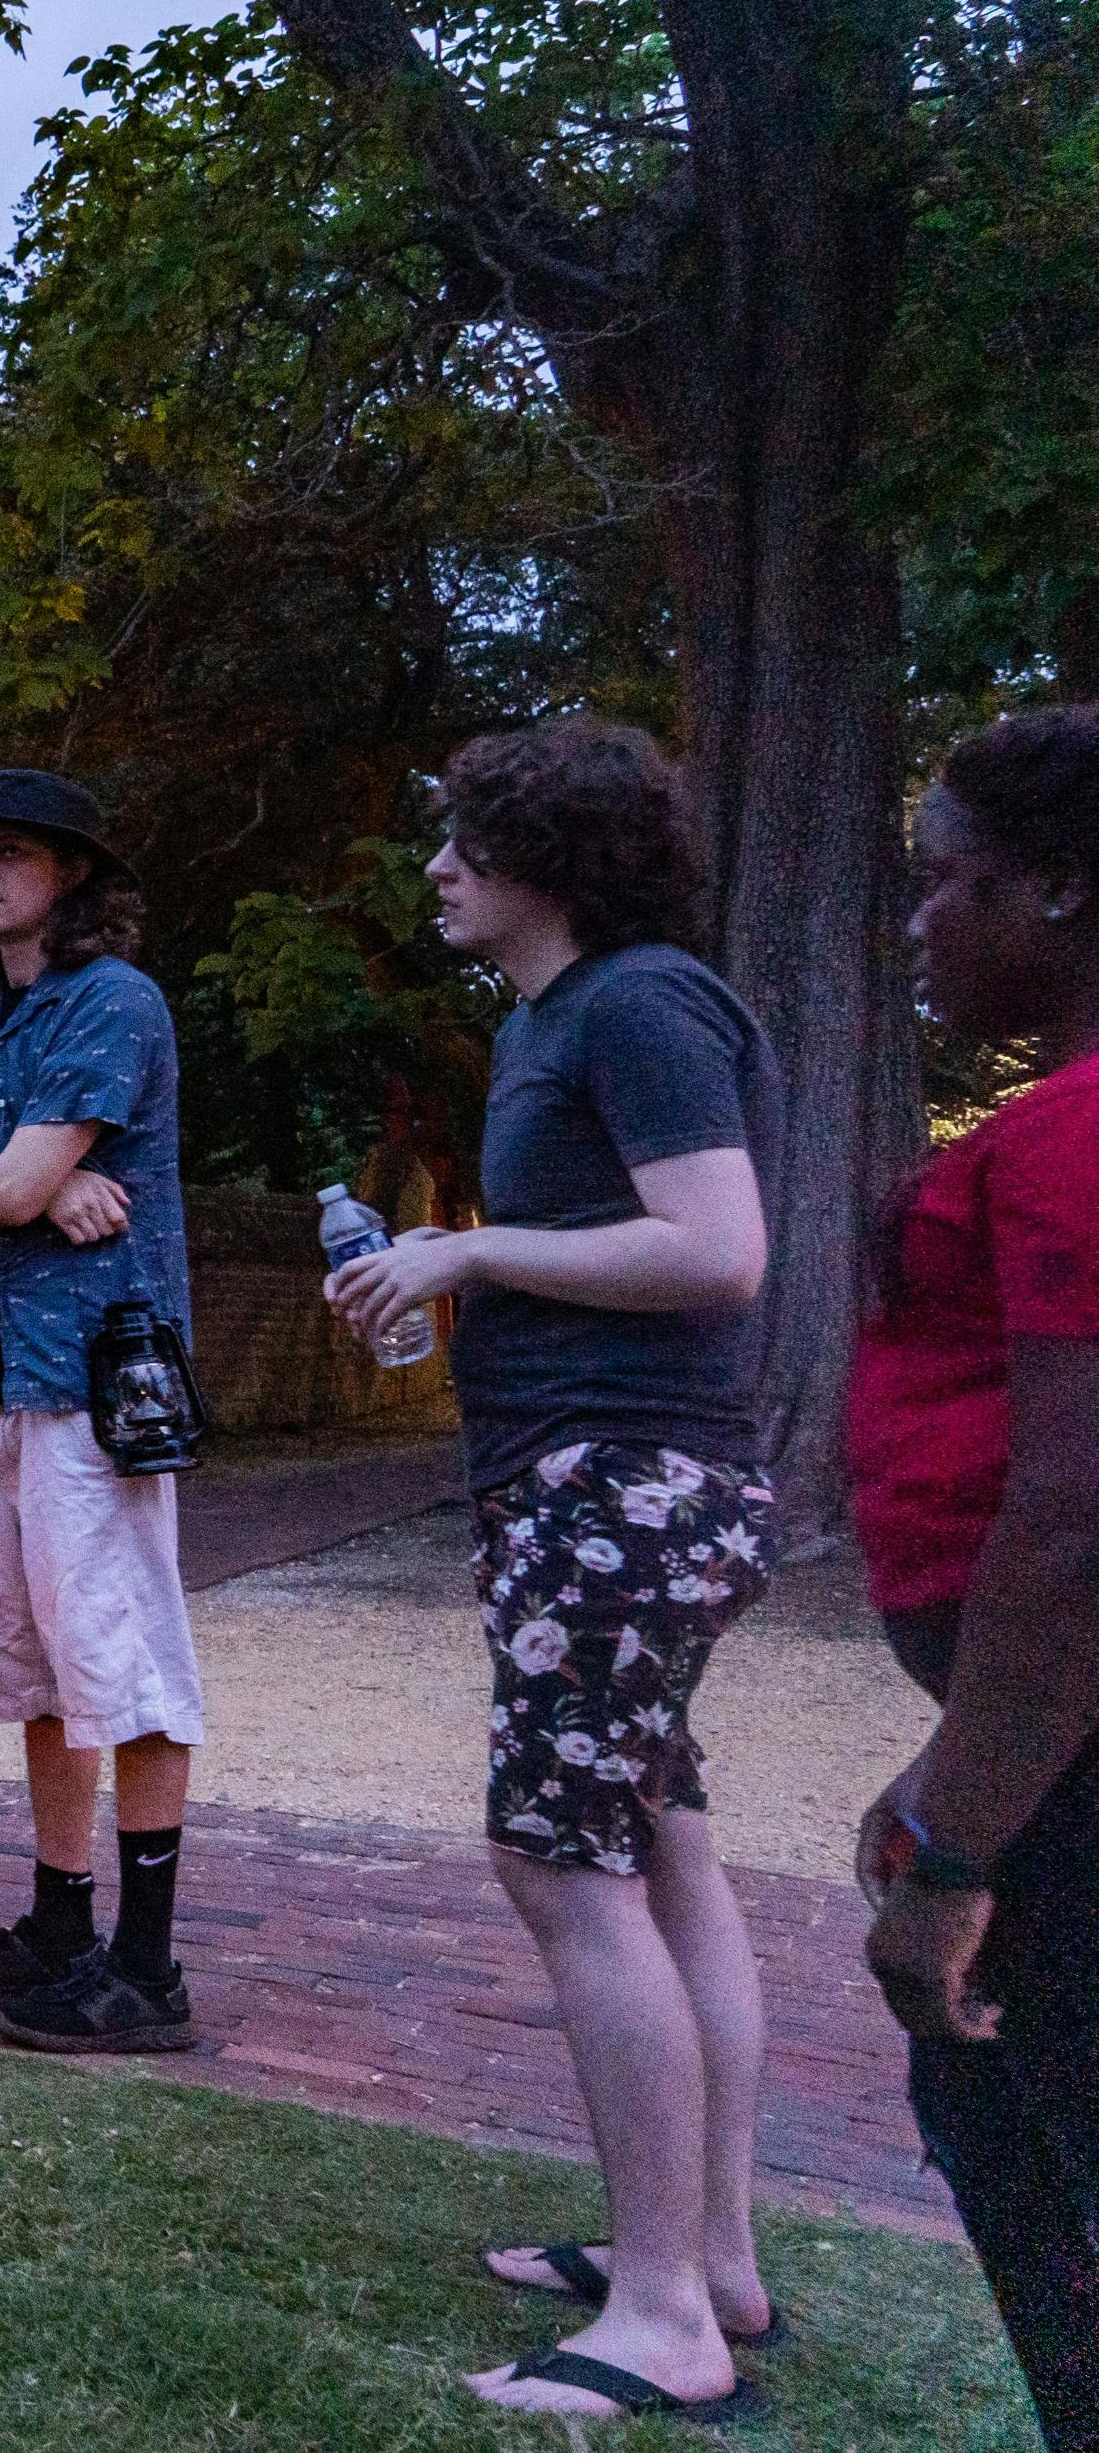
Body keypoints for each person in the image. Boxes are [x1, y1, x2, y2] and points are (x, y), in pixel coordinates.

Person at [322, 719, 780, 2426]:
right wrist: (451, 1273)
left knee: (562, 1868)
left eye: (462, 841)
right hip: (619, 1490)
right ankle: (704, 2255)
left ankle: (663, 2315)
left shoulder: (639, 1002)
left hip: (620, 1494)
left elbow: (717, 1251)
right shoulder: (567, 1019)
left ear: (548, 860)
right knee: (660, 1859)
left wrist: (470, 1248)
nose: (435, 867)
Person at [841, 708, 1099, 2450]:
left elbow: (1077, 1525)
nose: (920, 918)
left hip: (1070, 1795)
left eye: (950, 882)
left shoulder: (1080, 1134)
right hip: (1044, 1758)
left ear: (1064, 887)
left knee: (1011, 2086)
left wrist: (960, 1850)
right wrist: (951, 1764)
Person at [0, 768, 207, 2055]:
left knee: (124, 1667)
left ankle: (149, 1963)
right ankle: (59, 1924)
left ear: (69, 874)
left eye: (11, 852)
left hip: (93, 1380)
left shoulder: (113, 1002)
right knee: (30, 1667)